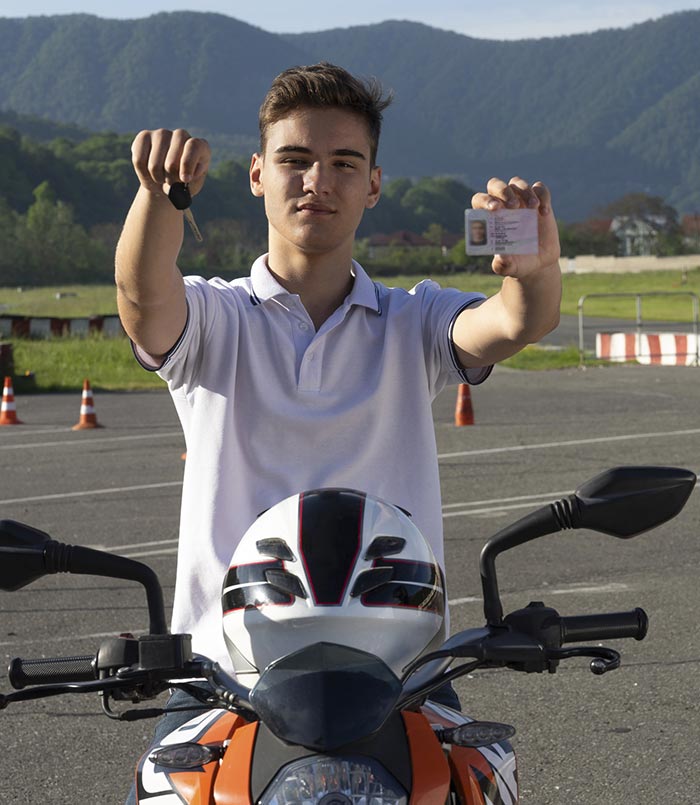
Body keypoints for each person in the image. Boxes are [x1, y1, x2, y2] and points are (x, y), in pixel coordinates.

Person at [115, 62, 561, 802]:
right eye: (294, 159)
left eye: (343, 163)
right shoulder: (216, 319)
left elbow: (514, 322)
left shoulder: (412, 320)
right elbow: (143, 298)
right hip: (226, 677)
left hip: (403, 671)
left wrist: (535, 272)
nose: (317, 180)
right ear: (258, 174)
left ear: (373, 185)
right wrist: (161, 198)